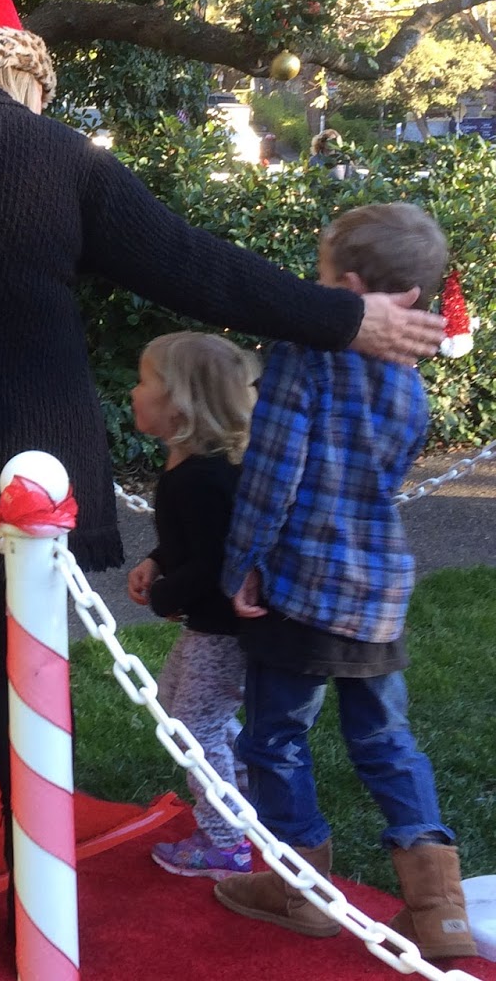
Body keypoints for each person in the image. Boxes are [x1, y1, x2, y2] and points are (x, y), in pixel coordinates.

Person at [0, 0, 446, 967]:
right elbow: (196, 270)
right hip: (27, 459)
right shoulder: (62, 160)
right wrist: (345, 319)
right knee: (21, 667)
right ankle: (36, 886)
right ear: (21, 72)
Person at [214, 203, 476, 960]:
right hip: (379, 588)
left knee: (275, 738)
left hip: (303, 585)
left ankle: (298, 888)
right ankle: (440, 908)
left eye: (322, 280)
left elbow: (272, 473)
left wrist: (244, 563)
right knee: (388, 740)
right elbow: (384, 474)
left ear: (352, 288)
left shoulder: (304, 353)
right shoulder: (409, 379)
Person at [125, 332, 259, 881]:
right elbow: (196, 541)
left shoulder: (202, 479)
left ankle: (229, 840)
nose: (133, 392)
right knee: (187, 713)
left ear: (178, 404)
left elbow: (215, 562)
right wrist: (158, 560)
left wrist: (163, 595)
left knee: (193, 728)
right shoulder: (195, 469)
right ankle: (247, 803)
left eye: (144, 381)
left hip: (224, 631)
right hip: (211, 625)